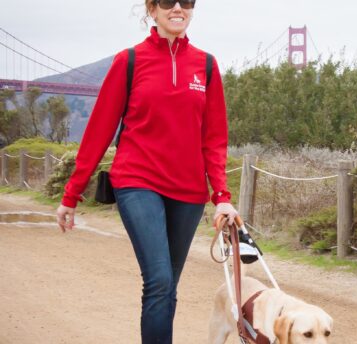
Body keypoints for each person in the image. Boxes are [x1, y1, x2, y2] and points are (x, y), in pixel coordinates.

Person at [56, 0, 238, 342]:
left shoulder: (207, 66)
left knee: (167, 285)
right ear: (152, 9)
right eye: (169, 2)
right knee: (159, 280)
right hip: (137, 181)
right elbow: (99, 130)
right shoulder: (129, 61)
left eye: (187, 2)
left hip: (188, 191)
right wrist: (71, 193)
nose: (178, 8)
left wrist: (222, 198)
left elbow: (214, 140)